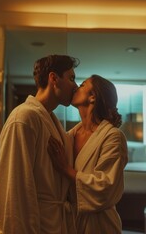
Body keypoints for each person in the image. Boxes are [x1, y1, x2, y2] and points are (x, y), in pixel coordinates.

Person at [0, 54, 79, 234]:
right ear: (53, 78)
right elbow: (15, 188)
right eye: (71, 78)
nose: (75, 86)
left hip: (55, 223)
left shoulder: (50, 119)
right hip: (38, 226)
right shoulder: (24, 118)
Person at [48, 74, 128, 234]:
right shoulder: (69, 136)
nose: (76, 86)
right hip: (71, 223)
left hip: (100, 226)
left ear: (92, 97)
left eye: (83, 84)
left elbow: (106, 187)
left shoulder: (113, 137)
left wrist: (66, 169)